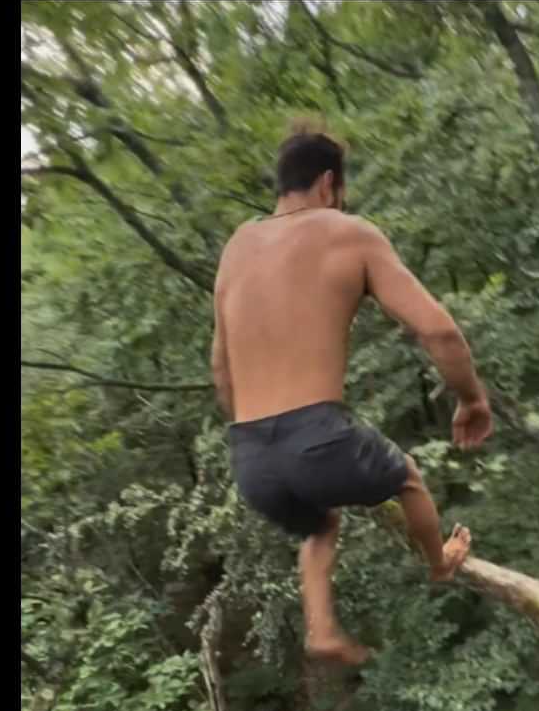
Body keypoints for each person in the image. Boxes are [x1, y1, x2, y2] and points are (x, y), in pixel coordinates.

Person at [211, 122, 493, 665]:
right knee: (408, 477)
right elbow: (438, 330)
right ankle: (439, 563)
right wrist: (471, 399)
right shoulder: (348, 232)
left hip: (250, 458)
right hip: (316, 436)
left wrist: (255, 433)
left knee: (319, 523)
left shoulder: (236, 248)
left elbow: (220, 368)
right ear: (327, 184)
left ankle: (322, 630)